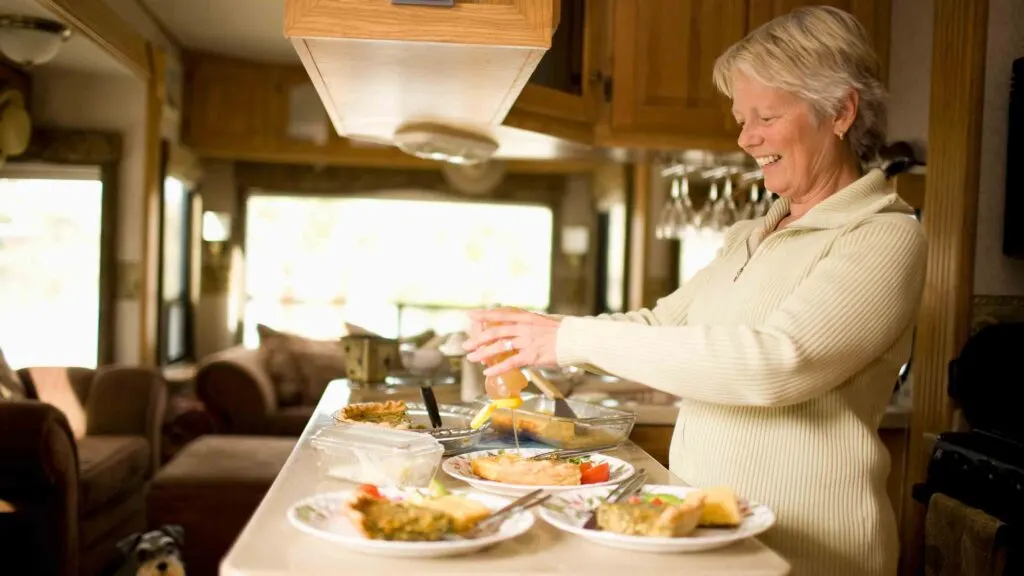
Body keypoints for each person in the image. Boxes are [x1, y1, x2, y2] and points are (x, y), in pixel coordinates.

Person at [462, 6, 925, 575]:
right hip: (707, 534)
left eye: (766, 116)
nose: (745, 137)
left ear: (841, 112)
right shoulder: (751, 236)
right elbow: (662, 325)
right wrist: (538, 332)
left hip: (806, 551)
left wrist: (568, 338)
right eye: (741, 116)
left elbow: (775, 364)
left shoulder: (882, 235)